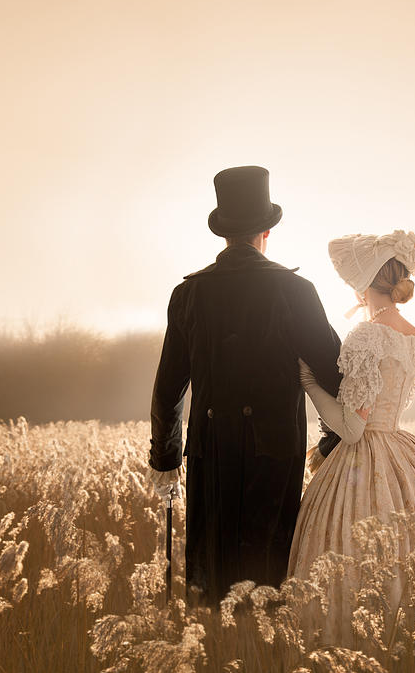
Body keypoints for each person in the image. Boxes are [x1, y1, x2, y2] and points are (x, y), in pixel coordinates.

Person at [146, 165, 342, 607]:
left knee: (209, 576)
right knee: (268, 574)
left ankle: (211, 663)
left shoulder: (188, 294)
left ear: (225, 233)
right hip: (274, 450)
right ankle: (262, 666)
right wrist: (333, 442)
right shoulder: (295, 290)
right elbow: (336, 373)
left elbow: (168, 387)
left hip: (208, 449)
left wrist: (165, 457)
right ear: (266, 231)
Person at [286, 231, 415, 646]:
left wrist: (309, 384)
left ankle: (353, 649)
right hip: (404, 453)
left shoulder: (368, 335)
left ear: (363, 281)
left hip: (364, 454)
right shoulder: (412, 334)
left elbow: (352, 428)